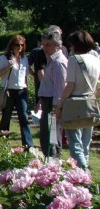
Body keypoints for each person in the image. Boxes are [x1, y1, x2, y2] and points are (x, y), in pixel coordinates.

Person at [55, 30, 100, 169]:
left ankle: (83, 171)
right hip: (90, 101)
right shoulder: (96, 59)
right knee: (85, 142)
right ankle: (84, 171)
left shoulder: (74, 60)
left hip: (75, 101)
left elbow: (70, 85)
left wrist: (60, 105)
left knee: (74, 142)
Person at [0, 35, 33, 148]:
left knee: (24, 118)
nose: (19, 47)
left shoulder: (24, 59)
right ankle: (1, 142)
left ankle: (28, 144)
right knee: (6, 117)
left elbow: (26, 74)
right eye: (17, 45)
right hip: (9, 91)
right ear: (12, 46)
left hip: (21, 91)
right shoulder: (4, 58)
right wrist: (8, 67)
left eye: (22, 45)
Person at [37, 30, 68, 158]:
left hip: (52, 104)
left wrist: (56, 107)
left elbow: (60, 87)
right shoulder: (52, 60)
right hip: (48, 102)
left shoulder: (58, 62)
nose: (44, 47)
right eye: (43, 44)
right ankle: (52, 160)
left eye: (48, 45)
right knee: (49, 134)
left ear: (57, 45)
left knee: (51, 135)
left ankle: (53, 162)